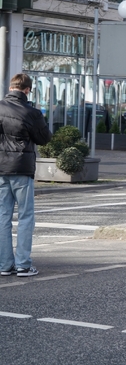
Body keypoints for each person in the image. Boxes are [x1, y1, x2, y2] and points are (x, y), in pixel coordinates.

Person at [0, 73, 52, 277]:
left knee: (3, 216)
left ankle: (4, 265)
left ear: (11, 87)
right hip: (22, 168)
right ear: (27, 89)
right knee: (25, 216)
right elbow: (44, 138)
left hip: (1, 169)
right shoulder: (32, 112)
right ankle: (23, 264)